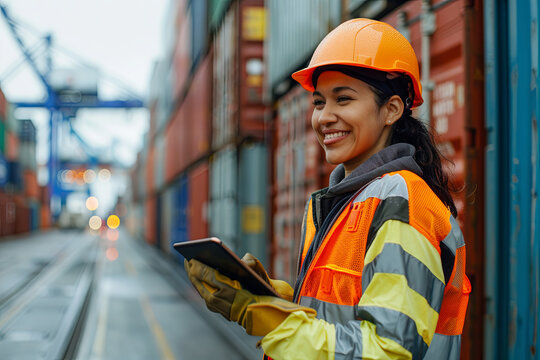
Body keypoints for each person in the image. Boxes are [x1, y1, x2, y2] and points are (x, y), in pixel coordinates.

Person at [184, 18, 471, 359]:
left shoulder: (401, 202)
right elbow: (340, 318)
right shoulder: (342, 201)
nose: (324, 117)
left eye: (343, 99)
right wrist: (273, 301)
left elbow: (387, 350)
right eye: (319, 103)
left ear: (391, 109)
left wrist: (272, 323)